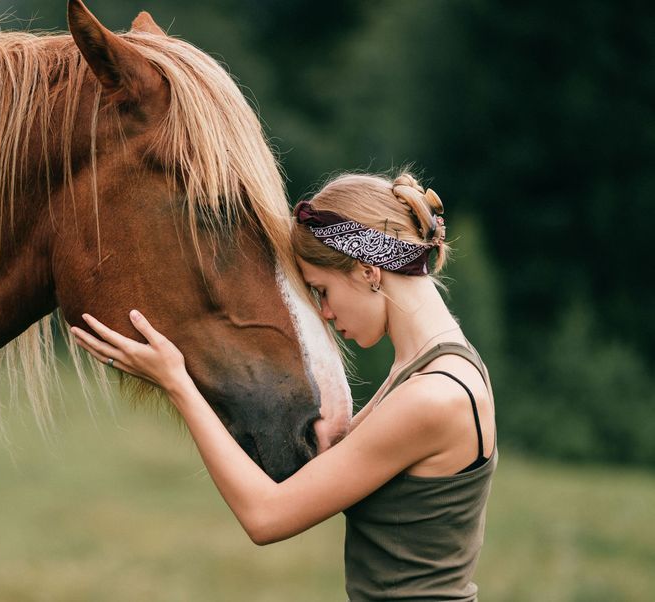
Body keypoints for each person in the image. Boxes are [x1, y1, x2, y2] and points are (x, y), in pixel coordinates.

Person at [70, 172, 496, 601]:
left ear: (369, 271)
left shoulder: (431, 397)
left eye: (321, 291)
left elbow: (266, 516)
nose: (325, 312)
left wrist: (178, 383)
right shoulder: (440, 368)